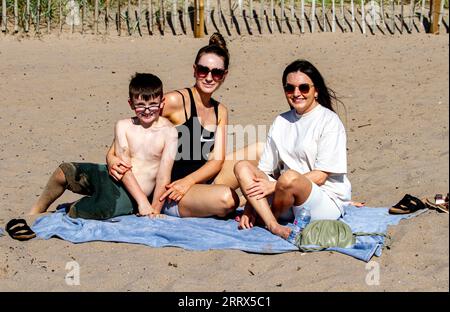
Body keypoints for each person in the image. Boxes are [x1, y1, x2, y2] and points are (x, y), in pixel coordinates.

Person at [106, 33, 264, 218]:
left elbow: (216, 161)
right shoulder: (175, 101)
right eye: (203, 70)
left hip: (198, 181)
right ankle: (219, 201)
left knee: (261, 149)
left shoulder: (220, 111)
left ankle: (258, 205)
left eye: (217, 72)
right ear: (194, 70)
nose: (209, 77)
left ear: (224, 75)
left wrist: (189, 182)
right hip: (171, 188)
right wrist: (110, 157)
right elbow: (134, 126)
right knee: (228, 199)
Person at [28, 73, 178, 219]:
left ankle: (70, 207)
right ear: (131, 104)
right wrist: (143, 203)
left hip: (128, 196)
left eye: (153, 104)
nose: (147, 110)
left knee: (87, 210)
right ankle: (35, 212)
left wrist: (153, 210)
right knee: (65, 171)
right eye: (140, 105)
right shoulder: (123, 126)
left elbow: (163, 176)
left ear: (162, 102)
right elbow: (123, 167)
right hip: (113, 178)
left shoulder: (169, 133)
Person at [233, 59, 352, 240]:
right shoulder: (281, 121)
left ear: (316, 90)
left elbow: (321, 176)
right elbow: (264, 170)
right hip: (285, 198)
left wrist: (275, 185)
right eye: (290, 88)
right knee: (242, 167)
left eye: (303, 88)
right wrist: (250, 206)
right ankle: (273, 224)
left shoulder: (329, 121)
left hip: (322, 200)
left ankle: (267, 216)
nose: (297, 93)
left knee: (288, 177)